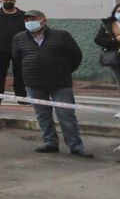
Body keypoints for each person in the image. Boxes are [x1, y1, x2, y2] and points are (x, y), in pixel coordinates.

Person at [11, 10, 93, 158]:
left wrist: (64, 71)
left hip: (60, 83)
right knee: (42, 114)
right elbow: (18, 58)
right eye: (27, 20)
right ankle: (50, 143)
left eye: (33, 19)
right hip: (34, 83)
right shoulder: (19, 38)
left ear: (44, 20)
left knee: (66, 115)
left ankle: (76, 146)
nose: (29, 22)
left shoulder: (61, 36)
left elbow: (76, 56)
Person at [0, 0, 28, 106]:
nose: (8, 2)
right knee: (0, 75)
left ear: (15, 1)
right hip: (0, 50)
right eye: (5, 1)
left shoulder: (23, 15)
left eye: (10, 0)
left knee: (19, 75)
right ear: (1, 1)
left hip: (19, 50)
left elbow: (29, 31)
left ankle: (22, 98)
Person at [92, 3, 120, 94]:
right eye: (119, 11)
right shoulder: (108, 24)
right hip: (116, 57)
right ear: (114, 12)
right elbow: (98, 40)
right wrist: (114, 39)